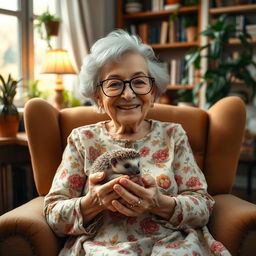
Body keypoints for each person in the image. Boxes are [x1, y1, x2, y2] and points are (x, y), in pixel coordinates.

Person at [44, 29, 231, 256]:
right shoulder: (83, 140)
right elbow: (53, 214)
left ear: (152, 91)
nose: (129, 94)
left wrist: (160, 203)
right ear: (98, 97)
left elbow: (203, 207)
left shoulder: (173, 135)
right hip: (103, 248)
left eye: (139, 82)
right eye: (114, 84)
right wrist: (93, 202)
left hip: (171, 245)